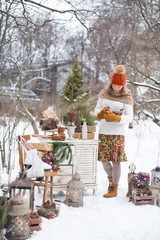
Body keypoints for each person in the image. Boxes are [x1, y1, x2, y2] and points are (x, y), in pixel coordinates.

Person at [94, 65, 133, 198]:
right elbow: (96, 110)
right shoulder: (104, 93)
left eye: (119, 86)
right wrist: (101, 113)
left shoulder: (127, 96)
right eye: (115, 85)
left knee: (116, 160)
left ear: (123, 84)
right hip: (104, 131)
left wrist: (117, 118)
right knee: (104, 160)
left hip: (118, 133)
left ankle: (114, 188)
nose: (116, 88)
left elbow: (130, 117)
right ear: (111, 83)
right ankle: (110, 181)